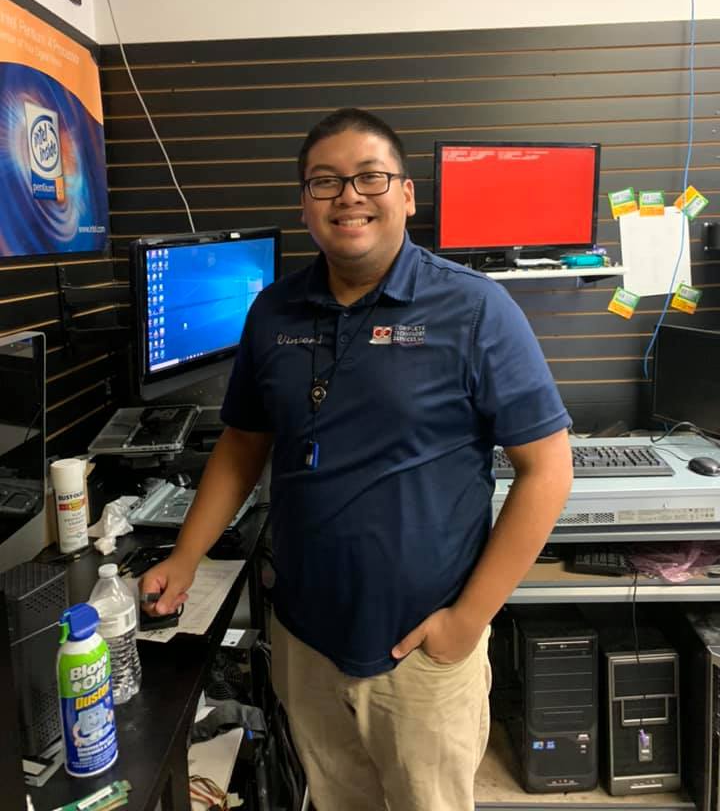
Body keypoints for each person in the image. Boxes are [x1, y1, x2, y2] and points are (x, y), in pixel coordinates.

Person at [141, 108, 573, 811]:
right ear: (304, 204)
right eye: (325, 181)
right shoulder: (273, 312)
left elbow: (548, 470)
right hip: (304, 639)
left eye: (370, 177)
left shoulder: (475, 310)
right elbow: (244, 442)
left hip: (421, 649)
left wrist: (467, 621)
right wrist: (185, 557)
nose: (349, 196)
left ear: (406, 194)